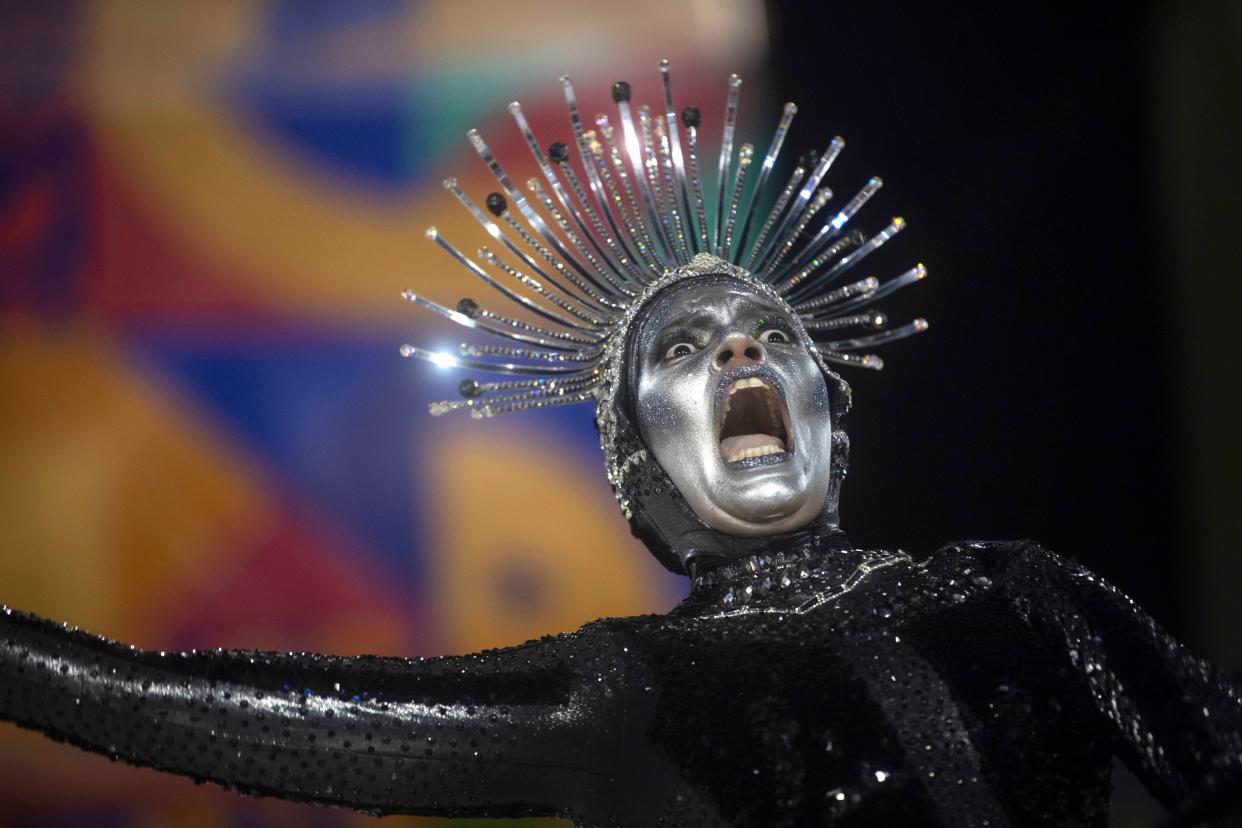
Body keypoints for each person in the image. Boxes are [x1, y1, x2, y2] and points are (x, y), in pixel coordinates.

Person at [2, 63, 1240, 827]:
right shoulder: (630, 689)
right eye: (688, 352)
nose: (743, 358)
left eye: (767, 338)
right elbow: (241, 714)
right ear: (642, 468)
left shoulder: (1017, 593)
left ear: (830, 410)